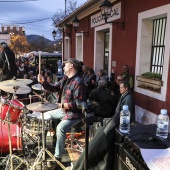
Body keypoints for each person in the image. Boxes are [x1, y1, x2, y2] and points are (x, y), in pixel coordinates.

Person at [38, 57, 87, 161]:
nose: (63, 66)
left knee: (60, 128)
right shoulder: (65, 79)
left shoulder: (79, 82)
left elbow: (79, 104)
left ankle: (58, 157)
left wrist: (63, 105)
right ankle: (46, 144)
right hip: (64, 111)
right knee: (45, 115)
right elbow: (54, 88)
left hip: (75, 114)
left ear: (71, 66)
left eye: (65, 64)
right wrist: (44, 82)